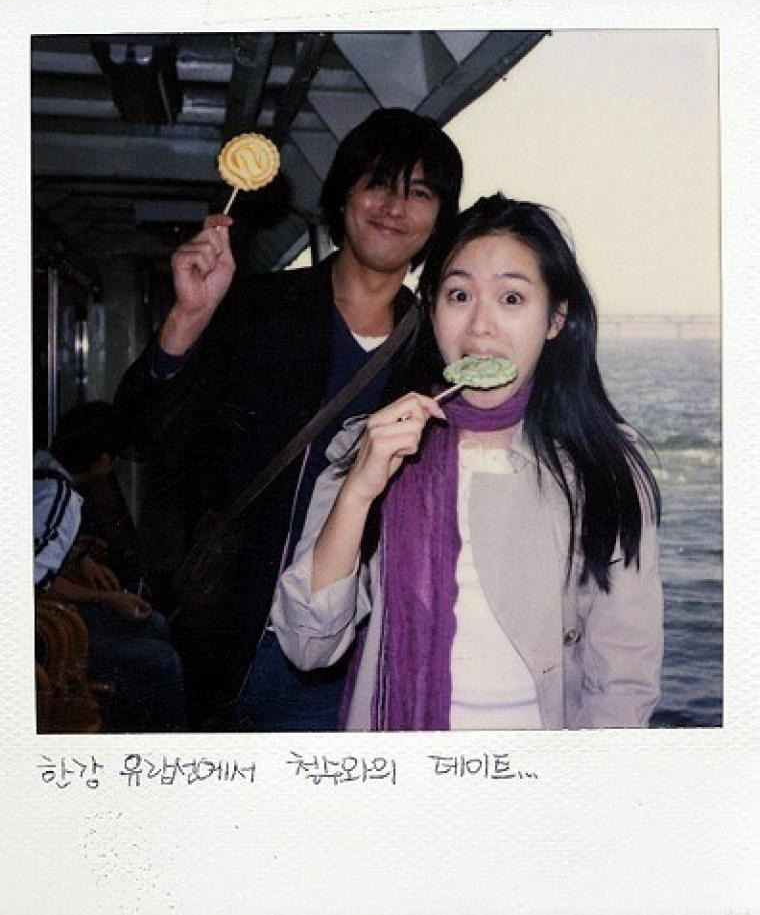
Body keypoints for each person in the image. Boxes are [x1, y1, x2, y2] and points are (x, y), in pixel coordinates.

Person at [114, 107, 463, 729]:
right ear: (344, 194)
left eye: (419, 193)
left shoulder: (435, 354)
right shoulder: (257, 308)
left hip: (368, 643)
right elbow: (141, 434)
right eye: (378, 183)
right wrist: (188, 318)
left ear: (439, 218)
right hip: (242, 637)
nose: (394, 207)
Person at [271, 193, 664, 730]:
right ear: (432, 309)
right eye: (459, 295)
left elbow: (623, 677)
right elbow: (306, 645)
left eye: (511, 298)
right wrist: (358, 491)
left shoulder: (606, 467)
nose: (480, 327)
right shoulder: (366, 446)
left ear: (555, 319)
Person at [34, 401, 186, 732]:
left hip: (47, 616)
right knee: (163, 661)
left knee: (155, 623)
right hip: (43, 636)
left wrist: (80, 559)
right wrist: (109, 598)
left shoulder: (40, 467)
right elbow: (34, 580)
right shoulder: (60, 498)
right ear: (102, 461)